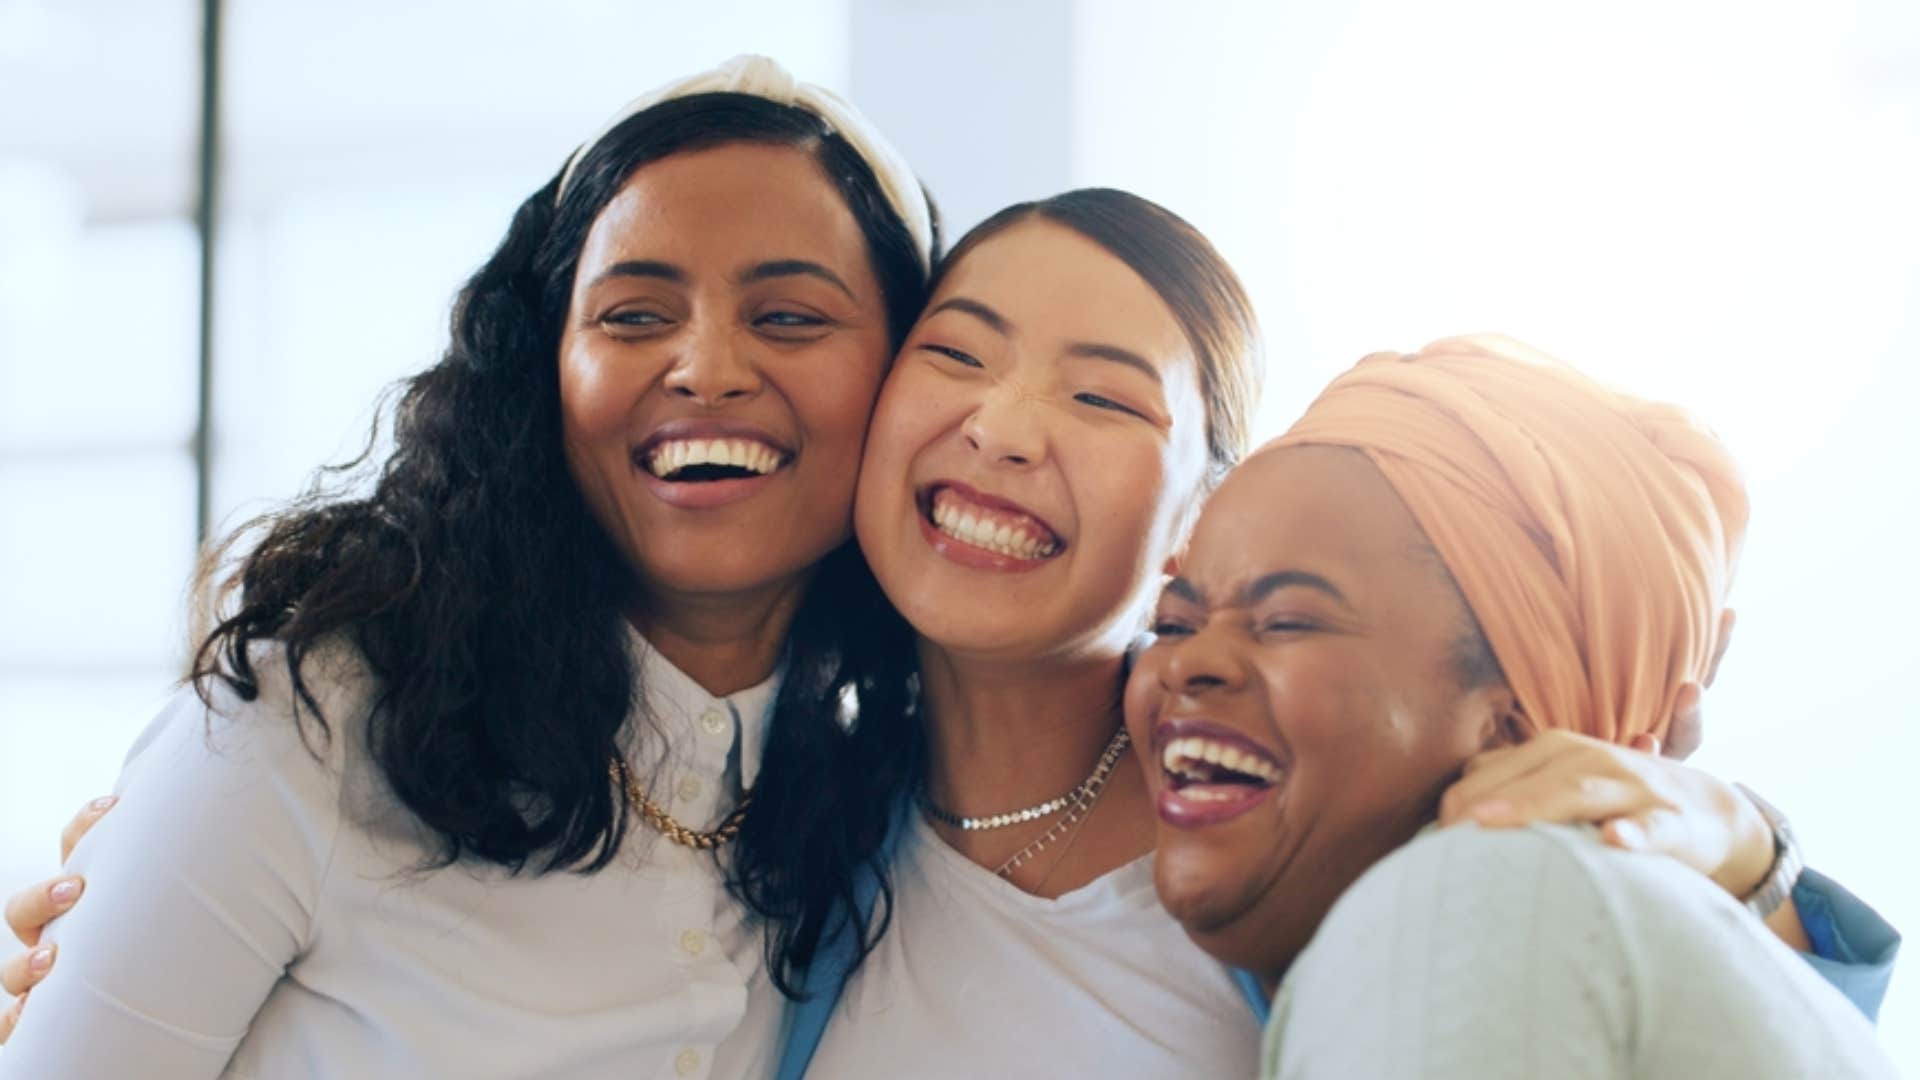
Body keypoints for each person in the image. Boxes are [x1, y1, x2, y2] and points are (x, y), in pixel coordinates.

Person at [778, 200, 1895, 1078]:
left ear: (1200, 510)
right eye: (959, 356)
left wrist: (1749, 856)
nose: (1003, 427)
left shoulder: (1295, 858)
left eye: (1106, 399)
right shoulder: (791, 826)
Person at [0, 56, 936, 1078]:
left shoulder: (870, 798)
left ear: (905, 382)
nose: (707, 368)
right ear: (543, 369)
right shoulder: (315, 721)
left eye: (789, 318)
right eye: (632, 316)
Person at [1126, 336, 1901, 1077]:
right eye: (1171, 623)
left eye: (1288, 621)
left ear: (1515, 732)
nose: (1188, 661)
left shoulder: (1464, 904)